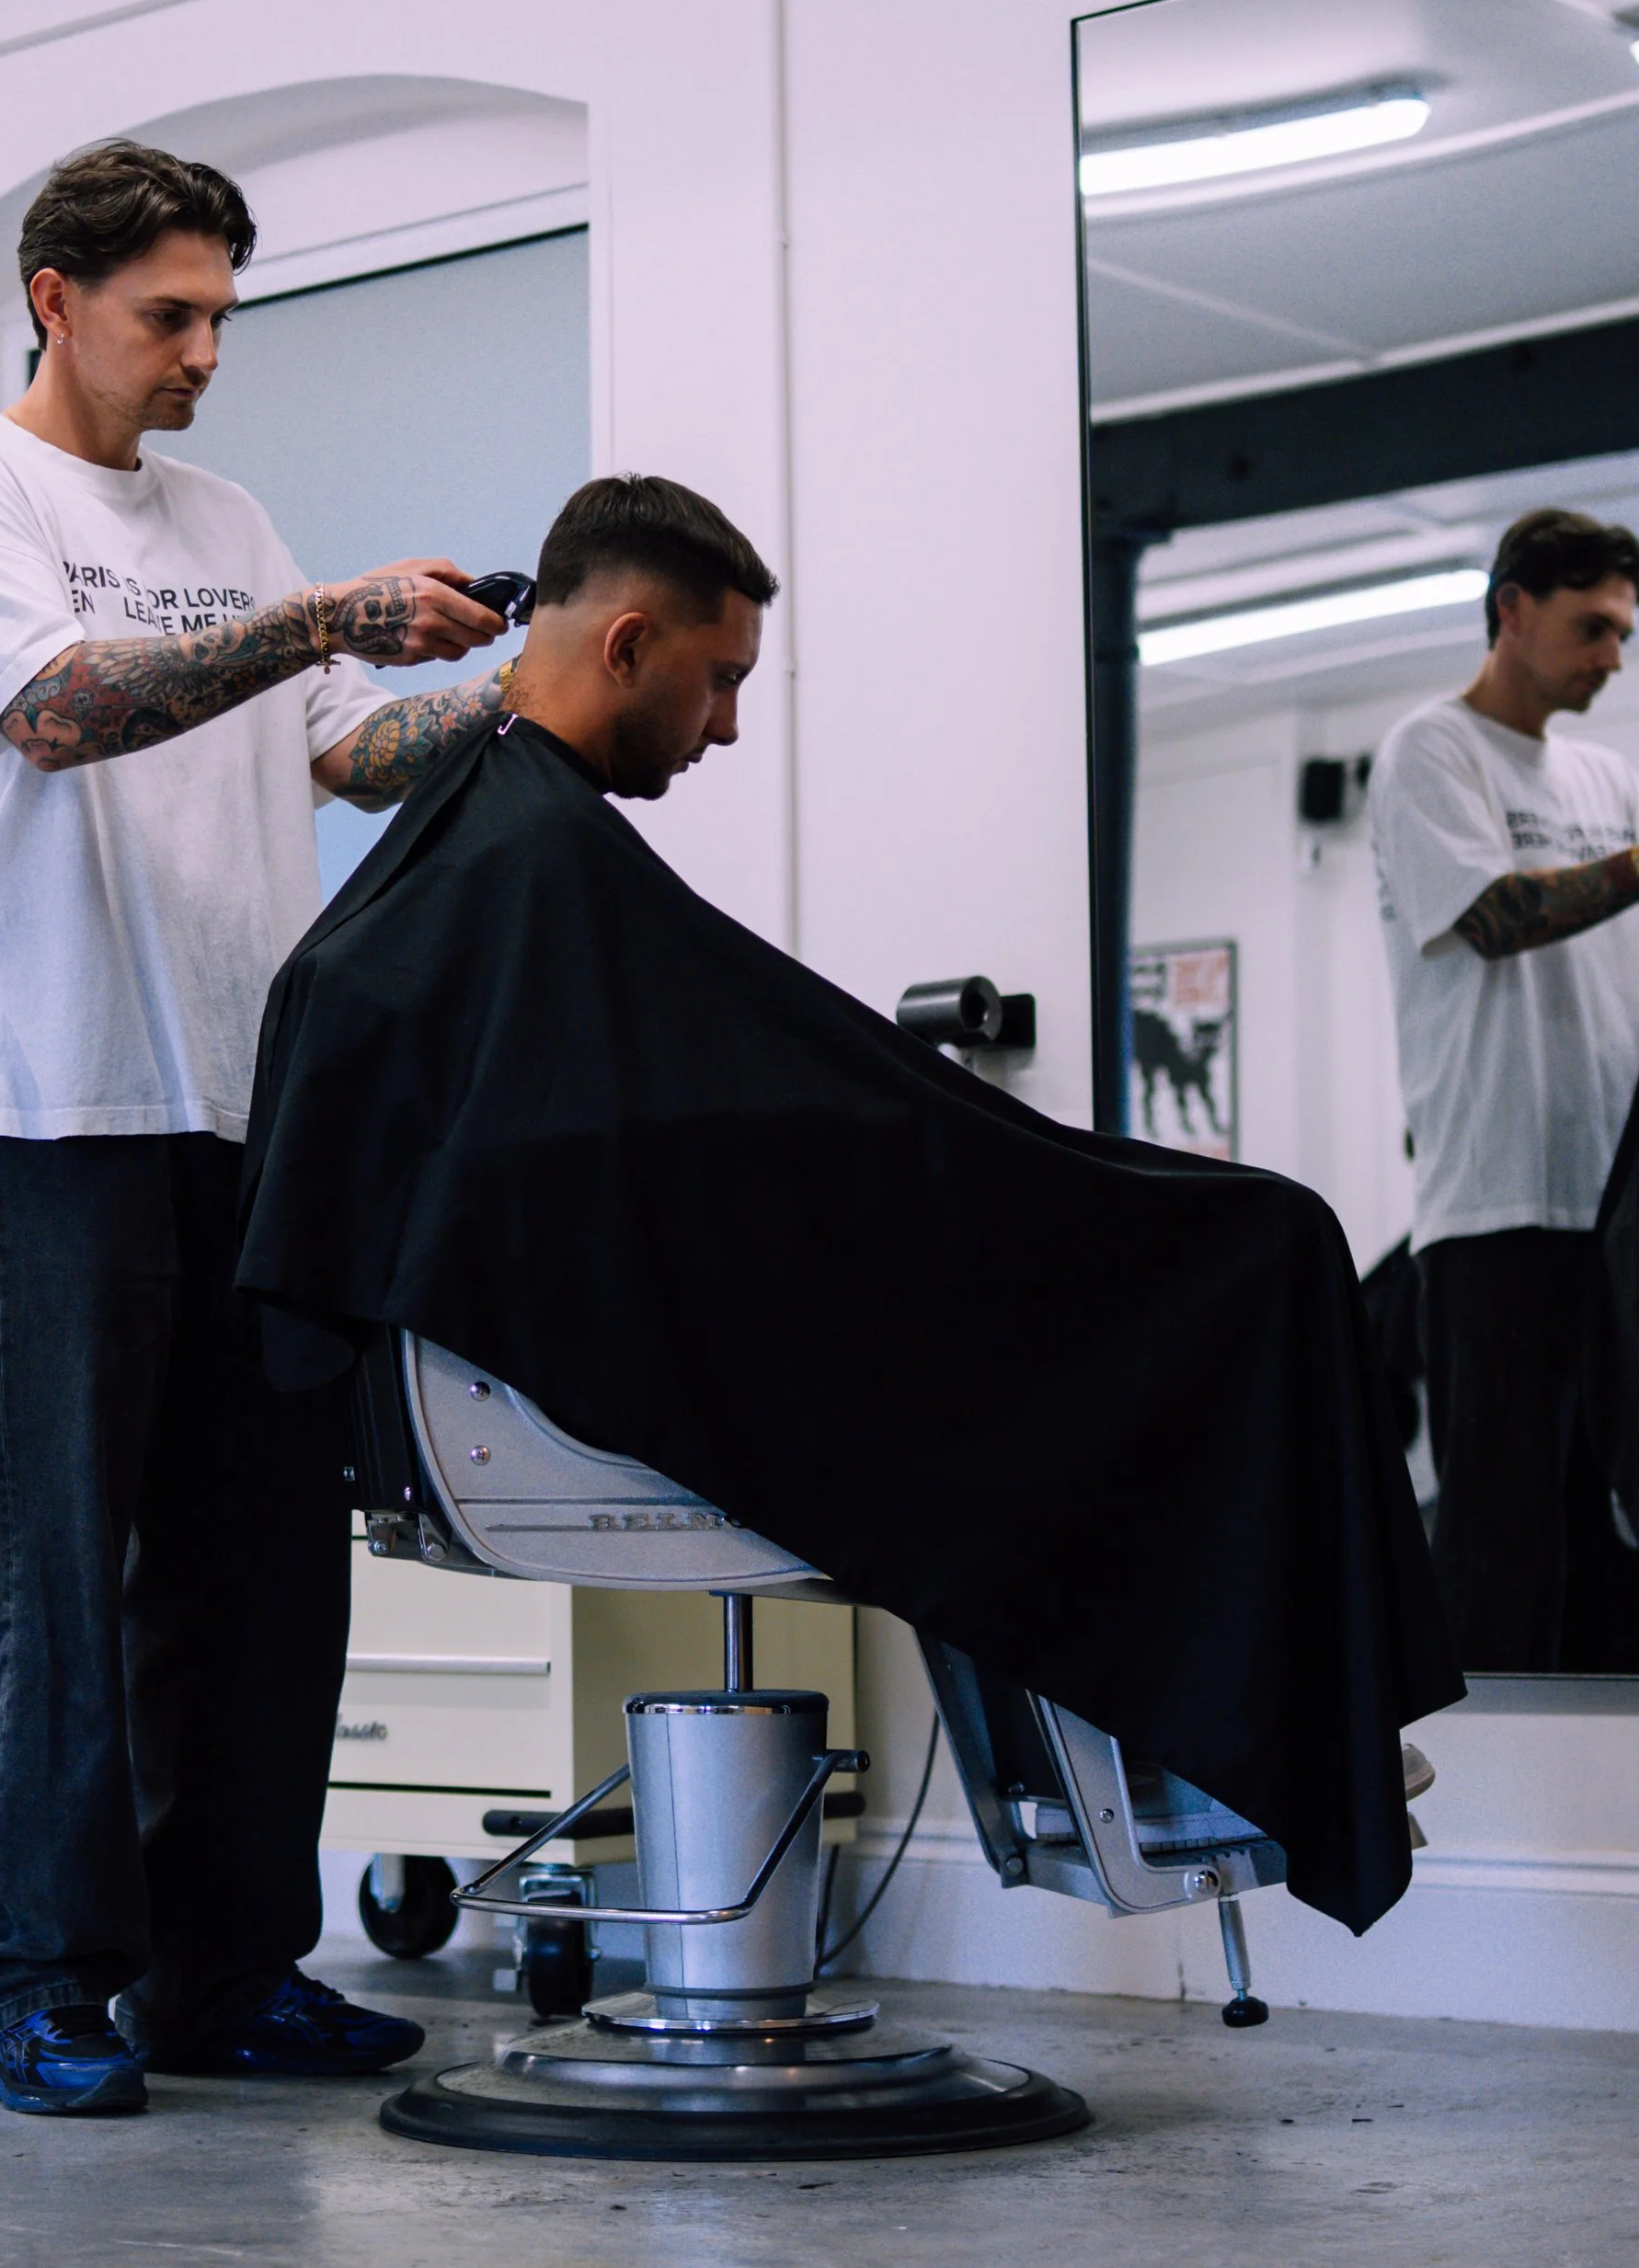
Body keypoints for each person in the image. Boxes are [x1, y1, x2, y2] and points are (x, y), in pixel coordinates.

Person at [238, 474, 1459, 1939]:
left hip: (545, 1377)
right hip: (578, 1392)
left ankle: (1265, 1719)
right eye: (721, 681)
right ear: (626, 646)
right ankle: (1278, 1716)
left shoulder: (499, 853)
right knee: (1258, 1245)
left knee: (1194, 1254)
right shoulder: (526, 857)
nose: (731, 726)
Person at [0, 135, 528, 2118]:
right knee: (61, 1570)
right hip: (49, 1106)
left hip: (246, 1115)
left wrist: (513, 686)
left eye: (224, 317)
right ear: (54, 297)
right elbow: (66, 711)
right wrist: (316, 618)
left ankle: (225, 1974)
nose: (202, 354)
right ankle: (42, 1989)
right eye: (170, 315)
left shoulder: (232, 517)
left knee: (260, 1571)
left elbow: (337, 754)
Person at [1369, 505, 1639, 1670]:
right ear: (1510, 611)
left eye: (1624, 634)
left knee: (1604, 1528)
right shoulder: (1431, 750)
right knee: (1499, 1538)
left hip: (1613, 1214)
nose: (1612, 659)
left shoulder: (1606, 774)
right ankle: (1487, 1813)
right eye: (1590, 628)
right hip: (1492, 1211)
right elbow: (1492, 918)